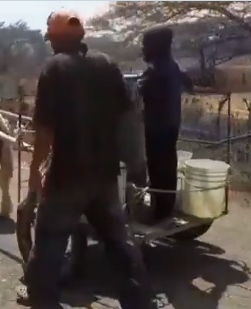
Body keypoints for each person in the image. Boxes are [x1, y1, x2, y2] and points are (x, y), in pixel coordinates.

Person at [18, 9, 155, 309]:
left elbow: (44, 132)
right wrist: (136, 164)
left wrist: (33, 177)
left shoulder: (54, 69)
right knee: (119, 244)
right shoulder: (106, 65)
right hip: (105, 176)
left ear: (53, 39)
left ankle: (42, 300)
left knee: (49, 242)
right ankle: (141, 302)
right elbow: (128, 119)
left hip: (66, 177)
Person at [138, 26, 197, 224]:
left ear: (155, 47)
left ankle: (159, 213)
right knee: (167, 167)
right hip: (171, 125)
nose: (142, 50)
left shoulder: (154, 72)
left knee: (157, 169)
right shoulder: (174, 67)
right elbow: (189, 84)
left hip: (156, 128)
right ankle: (165, 209)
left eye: (145, 45)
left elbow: (136, 93)